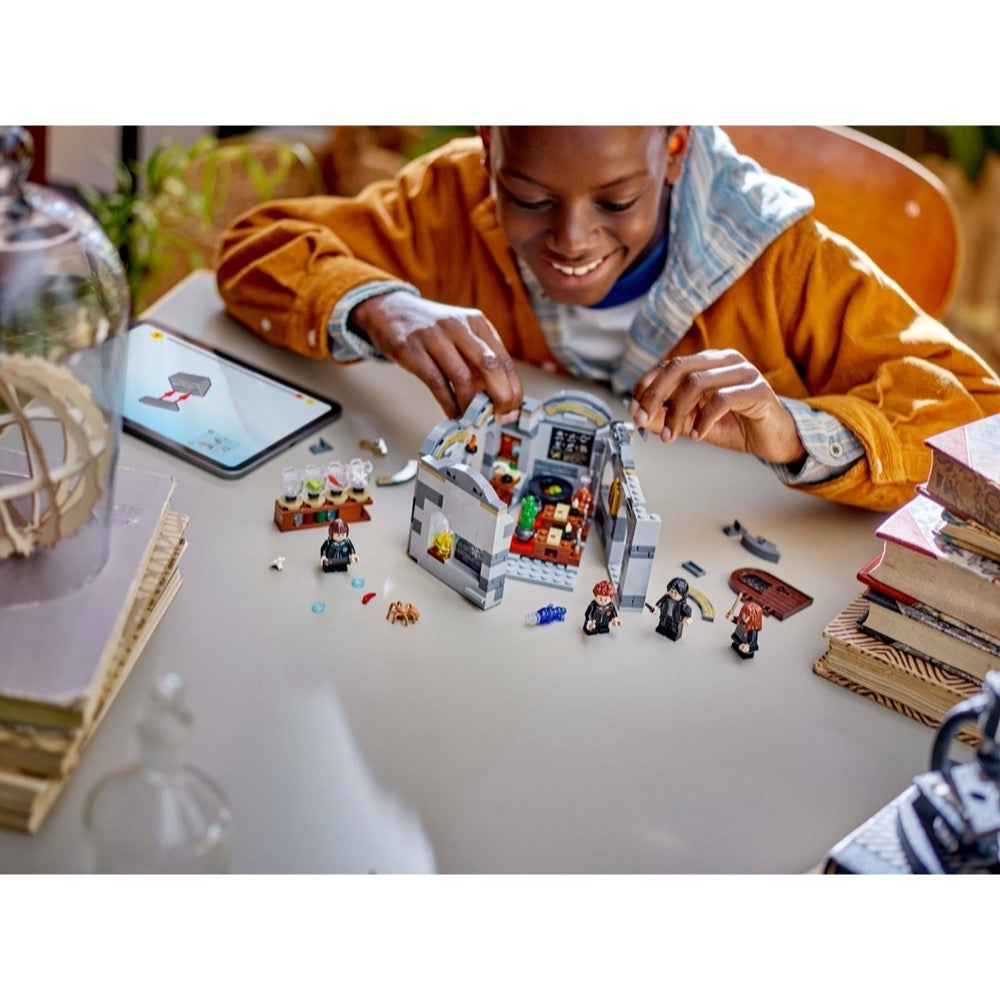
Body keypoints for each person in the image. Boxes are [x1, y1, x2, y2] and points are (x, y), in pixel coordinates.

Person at [216, 126, 1000, 512]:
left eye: (618, 201)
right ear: (488, 147)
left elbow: (979, 428)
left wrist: (792, 430)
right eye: (528, 199)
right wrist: (382, 305)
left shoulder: (787, 263)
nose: (571, 240)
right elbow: (256, 250)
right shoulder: (449, 197)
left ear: (675, 148)